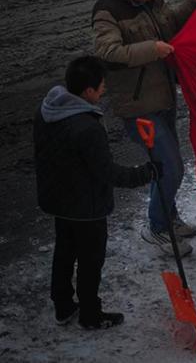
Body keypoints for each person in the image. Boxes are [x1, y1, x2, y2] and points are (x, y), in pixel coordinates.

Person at [91, 0, 196, 257]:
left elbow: (167, 21)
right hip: (138, 105)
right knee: (171, 167)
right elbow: (108, 51)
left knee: (164, 166)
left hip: (163, 97)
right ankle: (157, 229)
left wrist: (192, 3)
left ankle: (169, 219)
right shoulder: (107, 11)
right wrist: (152, 50)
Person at [34, 56, 162, 329]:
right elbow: (108, 173)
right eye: (101, 86)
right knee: (90, 262)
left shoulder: (48, 111)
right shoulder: (87, 128)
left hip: (58, 200)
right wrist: (147, 173)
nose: (104, 90)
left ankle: (63, 306)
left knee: (64, 253)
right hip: (86, 207)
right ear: (87, 90)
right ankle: (91, 315)